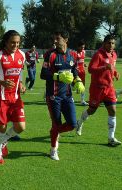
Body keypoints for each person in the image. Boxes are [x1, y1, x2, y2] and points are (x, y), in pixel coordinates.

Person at [40, 30, 85, 161]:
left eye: (57, 39)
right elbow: (43, 74)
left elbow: (74, 69)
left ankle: (54, 132)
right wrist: (58, 76)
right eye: (54, 39)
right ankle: (53, 149)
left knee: (72, 124)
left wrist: (78, 80)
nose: (55, 41)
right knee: (57, 123)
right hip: (53, 96)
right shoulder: (50, 54)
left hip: (67, 95)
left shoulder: (73, 54)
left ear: (66, 40)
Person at [76, 35, 121, 147]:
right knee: (91, 110)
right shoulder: (98, 55)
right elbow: (91, 69)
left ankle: (111, 138)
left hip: (109, 88)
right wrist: (104, 67)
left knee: (113, 111)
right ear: (104, 43)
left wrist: (115, 73)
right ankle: (80, 122)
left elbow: (112, 67)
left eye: (113, 43)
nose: (111, 45)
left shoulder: (114, 54)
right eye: (109, 43)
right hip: (97, 89)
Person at [0, 30, 26, 164]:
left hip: (15, 97)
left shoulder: (21, 55)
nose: (15, 45)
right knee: (2, 127)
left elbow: (20, 72)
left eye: (17, 43)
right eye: (12, 42)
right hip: (1, 97)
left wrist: (20, 84)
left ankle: (4, 141)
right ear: (5, 42)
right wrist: (1, 82)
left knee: (21, 127)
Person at [76, 40, 88, 106]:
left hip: (82, 71)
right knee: (72, 85)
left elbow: (82, 61)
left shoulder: (84, 52)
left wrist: (84, 64)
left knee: (83, 86)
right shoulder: (74, 53)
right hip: (76, 72)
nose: (83, 49)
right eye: (81, 47)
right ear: (78, 47)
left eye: (83, 47)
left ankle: (82, 100)